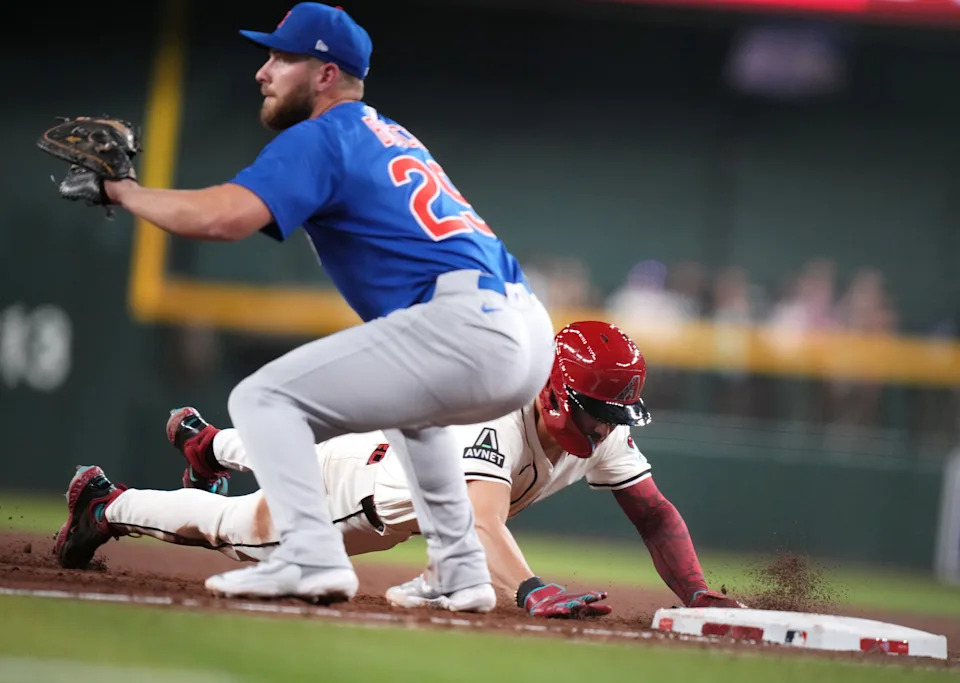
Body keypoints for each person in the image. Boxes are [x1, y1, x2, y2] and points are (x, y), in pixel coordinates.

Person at [53, 2, 555, 610]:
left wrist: (122, 190)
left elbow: (224, 218)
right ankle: (460, 570)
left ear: (325, 75)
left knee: (262, 399)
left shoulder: (326, 134)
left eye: (283, 57)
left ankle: (310, 558)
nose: (265, 71)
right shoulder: (386, 133)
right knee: (411, 414)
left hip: (465, 326)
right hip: (524, 329)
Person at [53, 322, 743, 617]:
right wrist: (530, 588)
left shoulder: (599, 427)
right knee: (236, 527)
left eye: (618, 415)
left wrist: (696, 592)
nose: (609, 429)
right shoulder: (502, 414)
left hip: (387, 446)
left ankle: (212, 447)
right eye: (601, 412)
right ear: (558, 392)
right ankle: (104, 503)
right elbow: (480, 521)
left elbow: (652, 510)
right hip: (363, 498)